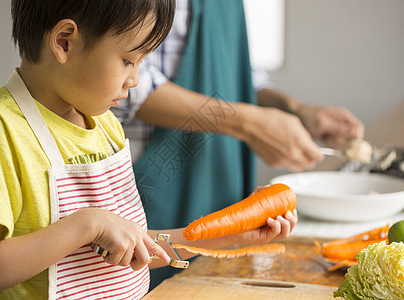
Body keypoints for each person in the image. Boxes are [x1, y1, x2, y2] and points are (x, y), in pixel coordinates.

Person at [0, 0, 298, 299]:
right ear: (64, 42)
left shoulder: (105, 125)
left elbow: (136, 246)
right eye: (128, 61)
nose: (134, 80)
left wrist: (231, 234)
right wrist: (87, 224)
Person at [111, 0, 364, 287]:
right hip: (158, 176)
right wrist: (249, 122)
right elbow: (128, 82)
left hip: (220, 174)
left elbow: (238, 72)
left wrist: (295, 109)